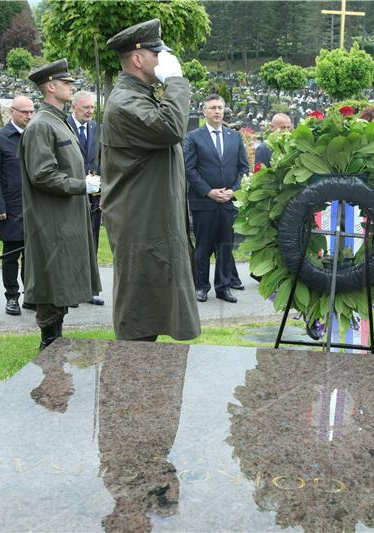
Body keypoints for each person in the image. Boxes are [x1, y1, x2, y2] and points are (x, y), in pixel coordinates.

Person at [101, 18, 200, 342]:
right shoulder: (125, 103)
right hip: (140, 226)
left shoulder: (139, 96)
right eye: (158, 54)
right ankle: (131, 389)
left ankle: (147, 388)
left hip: (151, 222)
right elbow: (171, 127)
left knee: (153, 313)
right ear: (138, 59)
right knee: (139, 320)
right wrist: (175, 80)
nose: (165, 60)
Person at [19, 59, 102, 350]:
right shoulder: (42, 125)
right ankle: (49, 354)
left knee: (60, 288)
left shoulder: (57, 120)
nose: (71, 87)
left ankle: (55, 353)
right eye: (66, 83)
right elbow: (43, 174)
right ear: (51, 86)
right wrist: (83, 186)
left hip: (64, 220)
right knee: (52, 290)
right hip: (52, 223)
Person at [184, 94, 250, 304]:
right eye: (212, 108)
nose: (217, 111)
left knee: (225, 246)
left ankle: (224, 287)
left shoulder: (234, 136)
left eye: (220, 107)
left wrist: (234, 191)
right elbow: (190, 169)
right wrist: (209, 191)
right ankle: (201, 287)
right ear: (204, 112)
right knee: (203, 247)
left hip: (229, 202)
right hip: (204, 202)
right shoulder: (194, 137)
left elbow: (243, 168)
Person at [0, 95, 35, 316]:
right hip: (11, 207)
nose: (29, 116)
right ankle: (12, 296)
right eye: (24, 112)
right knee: (11, 253)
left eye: (31, 112)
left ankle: (31, 295)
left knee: (32, 254)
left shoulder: (34, 135)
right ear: (12, 111)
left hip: (35, 206)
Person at [67, 90, 105, 306]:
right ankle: (72, 290)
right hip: (73, 193)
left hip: (95, 196)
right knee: (73, 241)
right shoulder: (64, 127)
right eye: (85, 108)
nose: (90, 112)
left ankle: (88, 289)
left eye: (92, 108)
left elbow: (103, 157)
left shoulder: (98, 129)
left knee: (92, 240)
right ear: (74, 107)